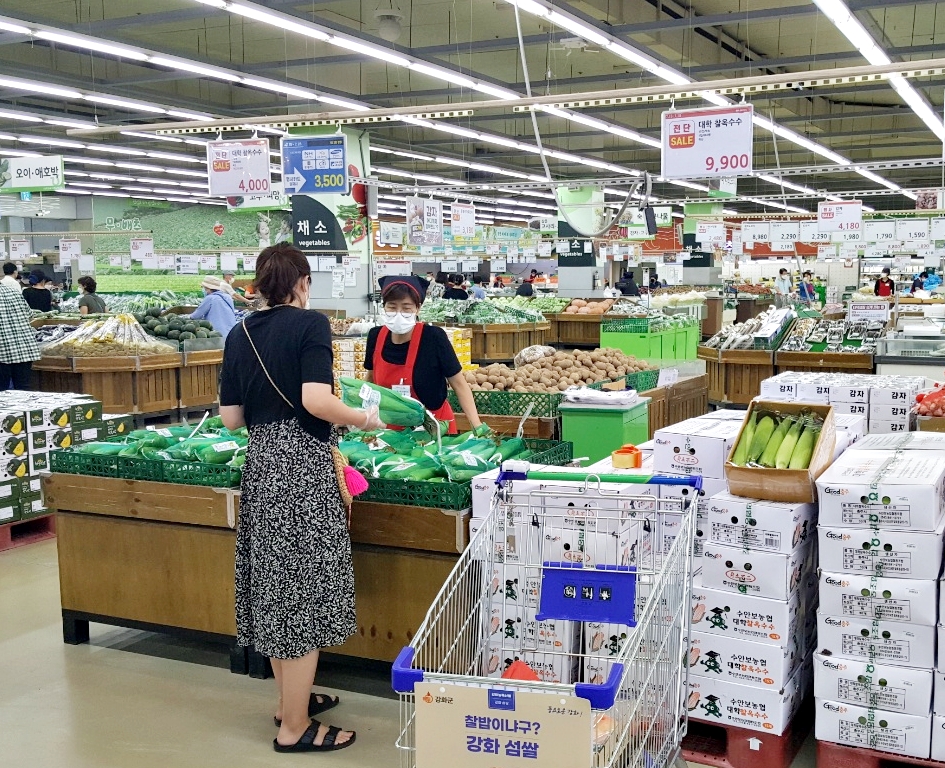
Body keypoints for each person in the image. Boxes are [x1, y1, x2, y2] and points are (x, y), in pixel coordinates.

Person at [220, 244, 380, 754]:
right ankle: (293, 730)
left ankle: (291, 702)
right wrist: (363, 418)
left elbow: (232, 419)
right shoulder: (310, 325)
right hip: (303, 470)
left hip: (262, 466)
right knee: (304, 598)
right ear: (302, 282)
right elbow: (316, 400)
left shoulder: (238, 333)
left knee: (274, 590)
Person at [364, 275, 484, 436]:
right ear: (383, 306)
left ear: (418, 308)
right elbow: (370, 380)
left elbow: (459, 385)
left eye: (406, 308)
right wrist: (356, 414)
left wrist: (478, 428)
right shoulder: (375, 337)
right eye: (392, 307)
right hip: (389, 432)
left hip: (435, 430)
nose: (399, 313)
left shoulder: (434, 337)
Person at [0, 279, 39, 389]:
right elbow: (30, 315)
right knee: (23, 390)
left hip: (2, 352)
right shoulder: (14, 292)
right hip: (24, 350)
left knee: (2, 393)